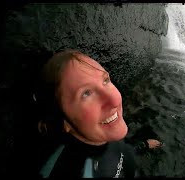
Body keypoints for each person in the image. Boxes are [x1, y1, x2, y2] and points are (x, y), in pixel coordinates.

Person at [36, 49, 162, 178]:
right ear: (63, 121)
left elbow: (120, 151)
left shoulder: (103, 133)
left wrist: (143, 145)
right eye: (86, 93)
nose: (115, 99)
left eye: (105, 80)